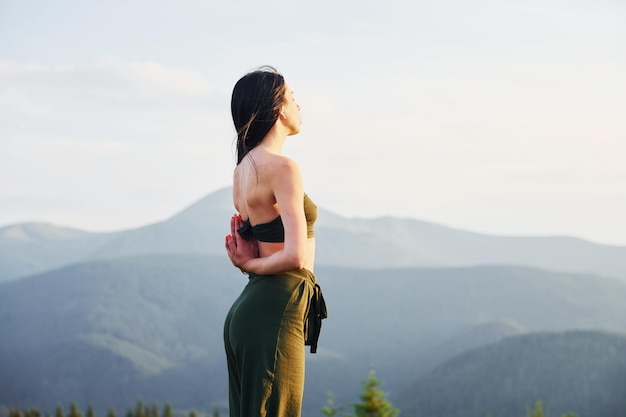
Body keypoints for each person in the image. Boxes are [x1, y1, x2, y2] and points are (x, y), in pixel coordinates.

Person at [223, 66, 327, 417]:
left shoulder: (242, 172)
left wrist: (250, 264)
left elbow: (259, 248)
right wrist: (250, 264)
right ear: (279, 109)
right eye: (293, 98)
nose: (299, 105)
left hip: (250, 310)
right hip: (276, 310)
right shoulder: (283, 167)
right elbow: (294, 255)